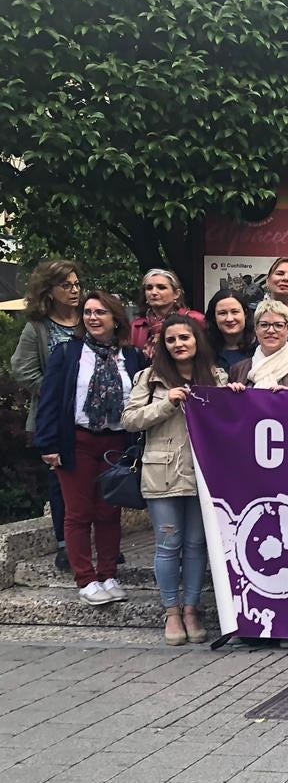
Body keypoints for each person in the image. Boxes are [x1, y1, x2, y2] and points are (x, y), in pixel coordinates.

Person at [35, 291, 147, 606]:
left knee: (109, 512)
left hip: (116, 443)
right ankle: (85, 578)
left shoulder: (133, 356)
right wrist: (48, 444)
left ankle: (109, 573)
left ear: (115, 319)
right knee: (79, 512)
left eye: (100, 312)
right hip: (77, 442)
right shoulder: (68, 353)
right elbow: (51, 400)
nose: (93, 318)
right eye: (88, 312)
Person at [121, 315, 227, 646]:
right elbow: (130, 420)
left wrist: (234, 396)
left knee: (197, 546)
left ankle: (192, 609)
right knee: (168, 545)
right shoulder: (150, 378)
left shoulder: (216, 376)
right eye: (171, 339)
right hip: (161, 472)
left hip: (203, 474)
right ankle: (171, 611)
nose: (179, 344)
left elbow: (231, 422)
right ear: (164, 346)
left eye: (185, 337)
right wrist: (167, 403)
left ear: (197, 341)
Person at [10, 259, 84, 569]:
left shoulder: (89, 318)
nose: (74, 290)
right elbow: (21, 368)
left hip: (91, 414)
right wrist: (56, 393)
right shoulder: (38, 327)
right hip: (55, 417)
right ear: (49, 291)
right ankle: (66, 543)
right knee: (60, 482)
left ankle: (97, 539)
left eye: (77, 284)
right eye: (66, 285)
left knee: (95, 480)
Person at [227, 300, 288, 391]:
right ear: (256, 329)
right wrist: (232, 396)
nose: (271, 330)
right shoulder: (237, 371)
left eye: (278, 325)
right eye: (264, 325)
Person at [129, 269, 205, 353]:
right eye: (149, 288)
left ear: (176, 294)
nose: (154, 292)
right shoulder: (137, 326)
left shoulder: (195, 319)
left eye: (161, 288)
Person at [204, 289, 255, 370]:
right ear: (214, 317)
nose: (229, 319)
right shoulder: (204, 349)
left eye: (235, 312)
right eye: (222, 313)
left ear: (245, 314)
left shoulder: (261, 348)